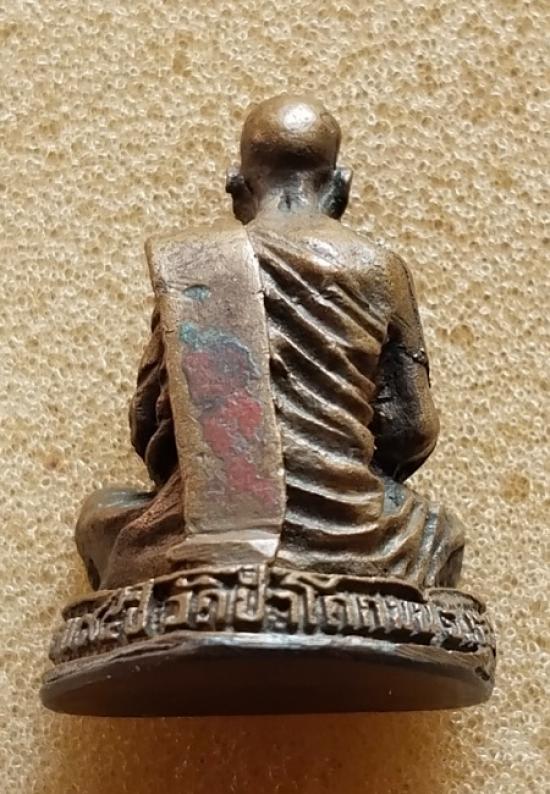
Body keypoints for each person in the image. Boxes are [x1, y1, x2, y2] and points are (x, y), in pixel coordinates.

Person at [76, 94, 464, 591]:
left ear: (236, 187)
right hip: (360, 535)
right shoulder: (379, 269)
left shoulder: (195, 267)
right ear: (341, 186)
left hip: (203, 533)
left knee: (102, 515)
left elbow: (149, 423)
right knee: (438, 532)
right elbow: (412, 430)